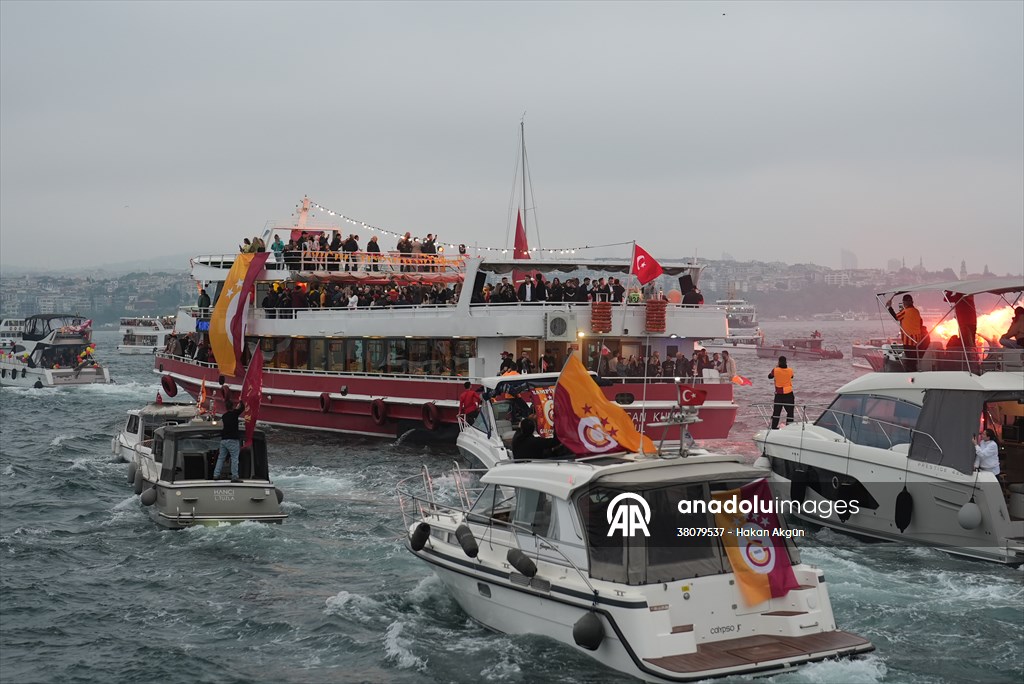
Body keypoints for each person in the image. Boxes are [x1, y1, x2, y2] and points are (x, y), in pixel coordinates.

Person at [886, 294, 928, 372]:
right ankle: (914, 371)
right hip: (917, 340)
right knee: (913, 359)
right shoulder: (916, 311)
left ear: (904, 303)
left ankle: (911, 373)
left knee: (910, 360)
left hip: (908, 340)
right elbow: (920, 322)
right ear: (912, 302)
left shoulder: (905, 311)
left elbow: (896, 317)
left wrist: (890, 307)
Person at [213, 399, 246, 483]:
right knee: (234, 459)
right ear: (232, 406)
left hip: (224, 440)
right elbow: (242, 408)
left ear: (226, 407)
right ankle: (234, 477)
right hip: (233, 440)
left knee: (221, 458)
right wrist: (241, 401)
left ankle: (216, 475)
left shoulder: (224, 416)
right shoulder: (235, 414)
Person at [769, 355, 794, 429]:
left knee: (776, 412)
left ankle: (774, 427)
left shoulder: (775, 370)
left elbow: (769, 376)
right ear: (786, 362)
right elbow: (792, 376)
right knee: (790, 412)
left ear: (779, 362)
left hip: (779, 394)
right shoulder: (790, 370)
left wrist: (777, 367)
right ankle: (789, 427)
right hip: (789, 394)